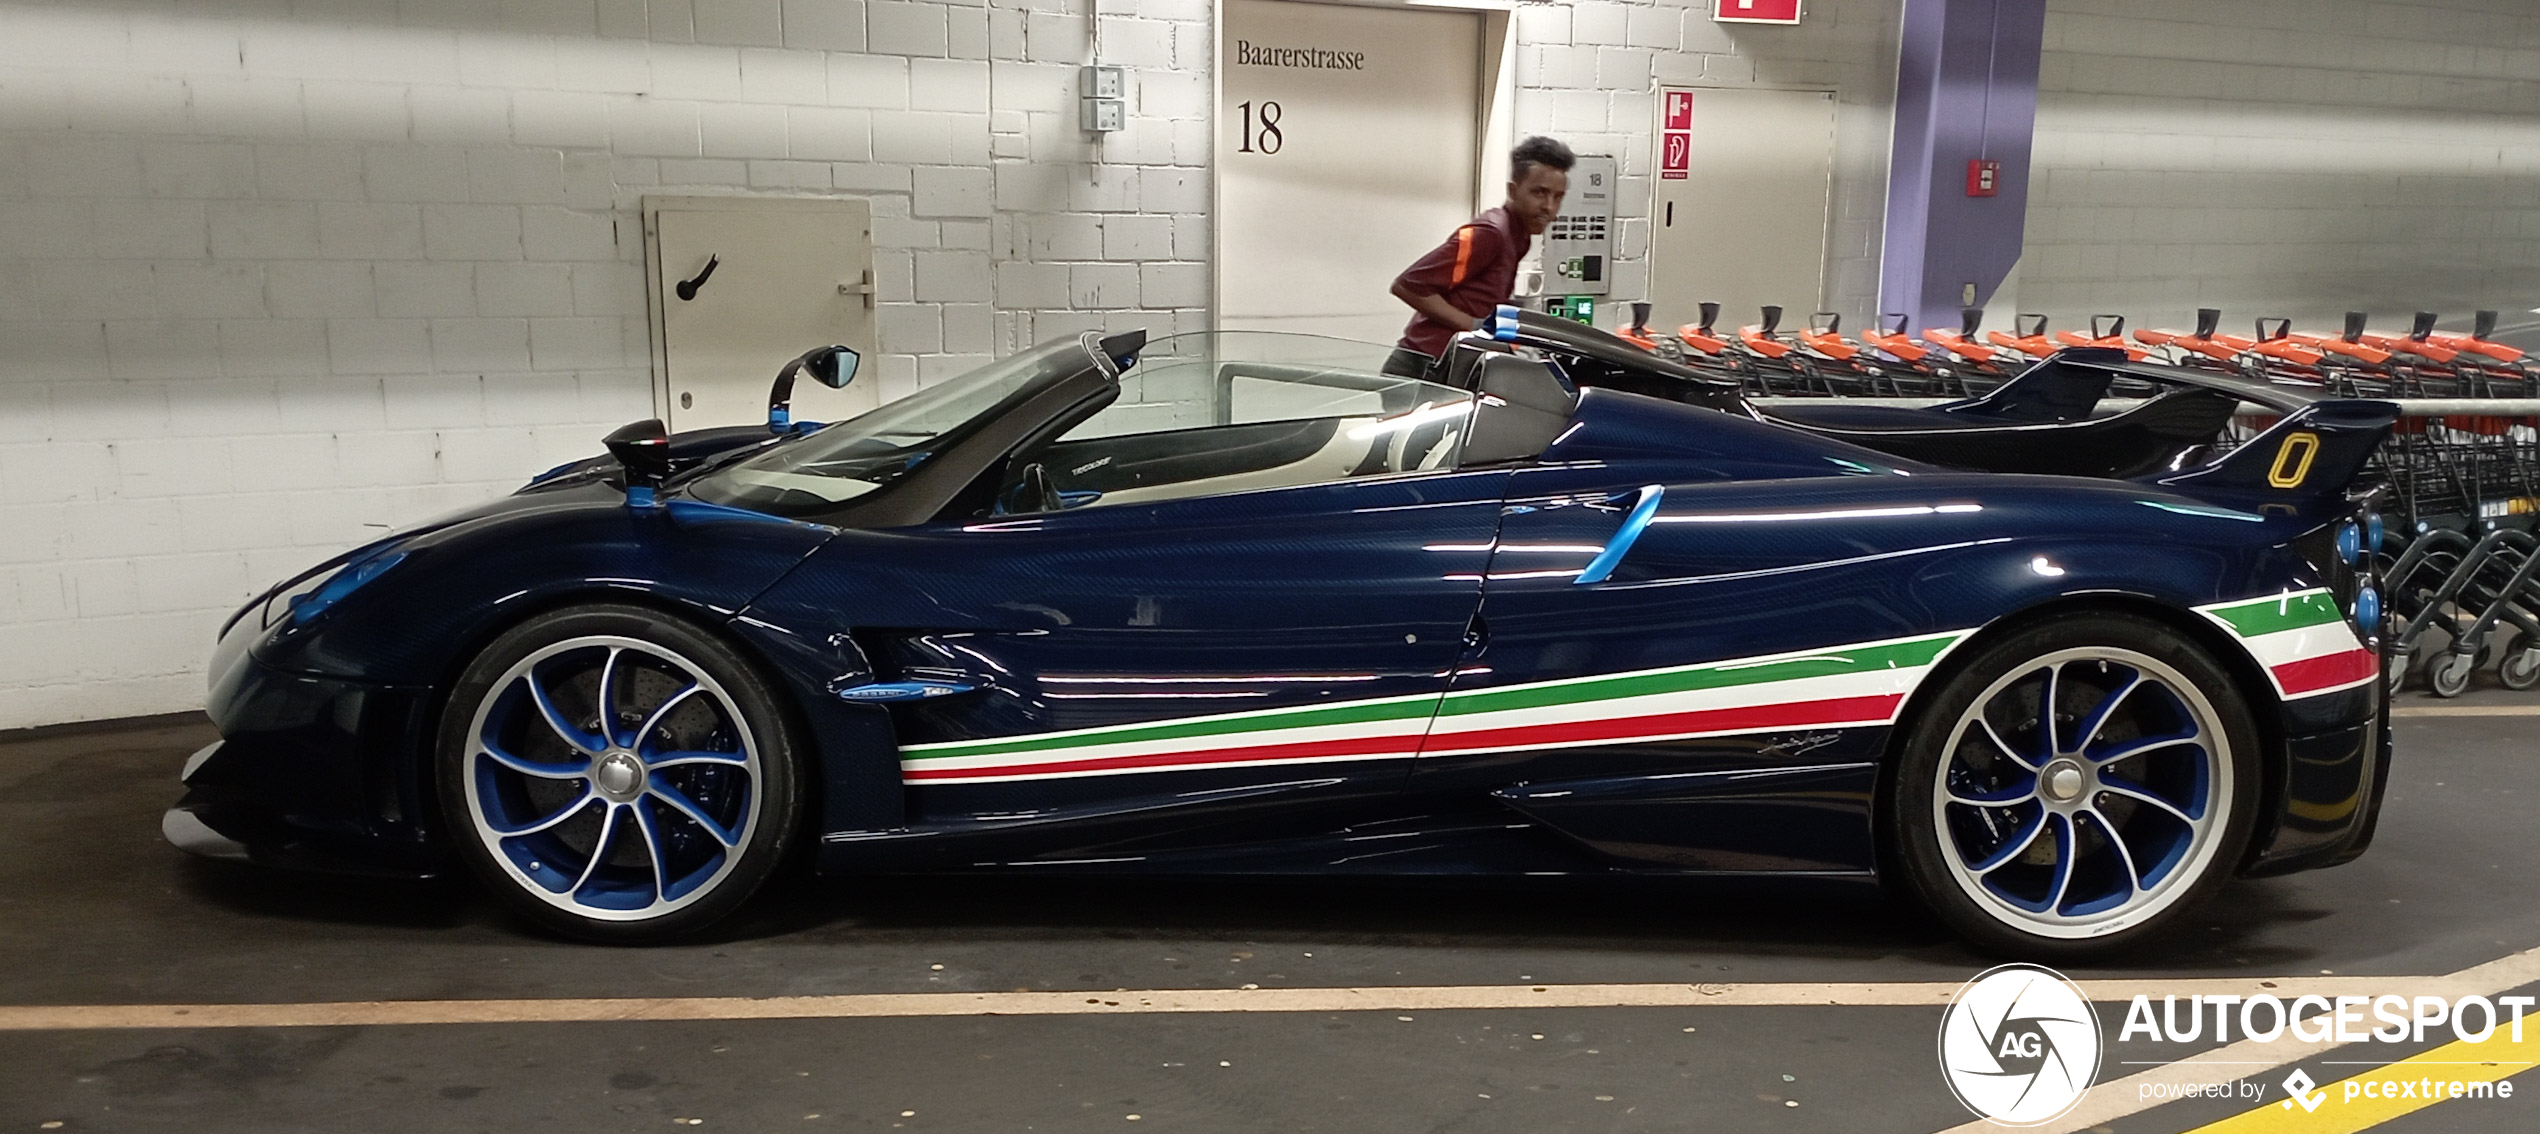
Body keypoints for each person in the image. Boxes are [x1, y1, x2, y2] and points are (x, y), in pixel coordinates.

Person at [1383, 136, 1574, 378]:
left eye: (1558, 197)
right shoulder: (1490, 233)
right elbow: (1408, 286)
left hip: (1451, 366)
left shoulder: (1519, 237)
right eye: (1539, 193)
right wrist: (1474, 326)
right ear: (1513, 190)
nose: (1549, 206)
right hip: (1421, 367)